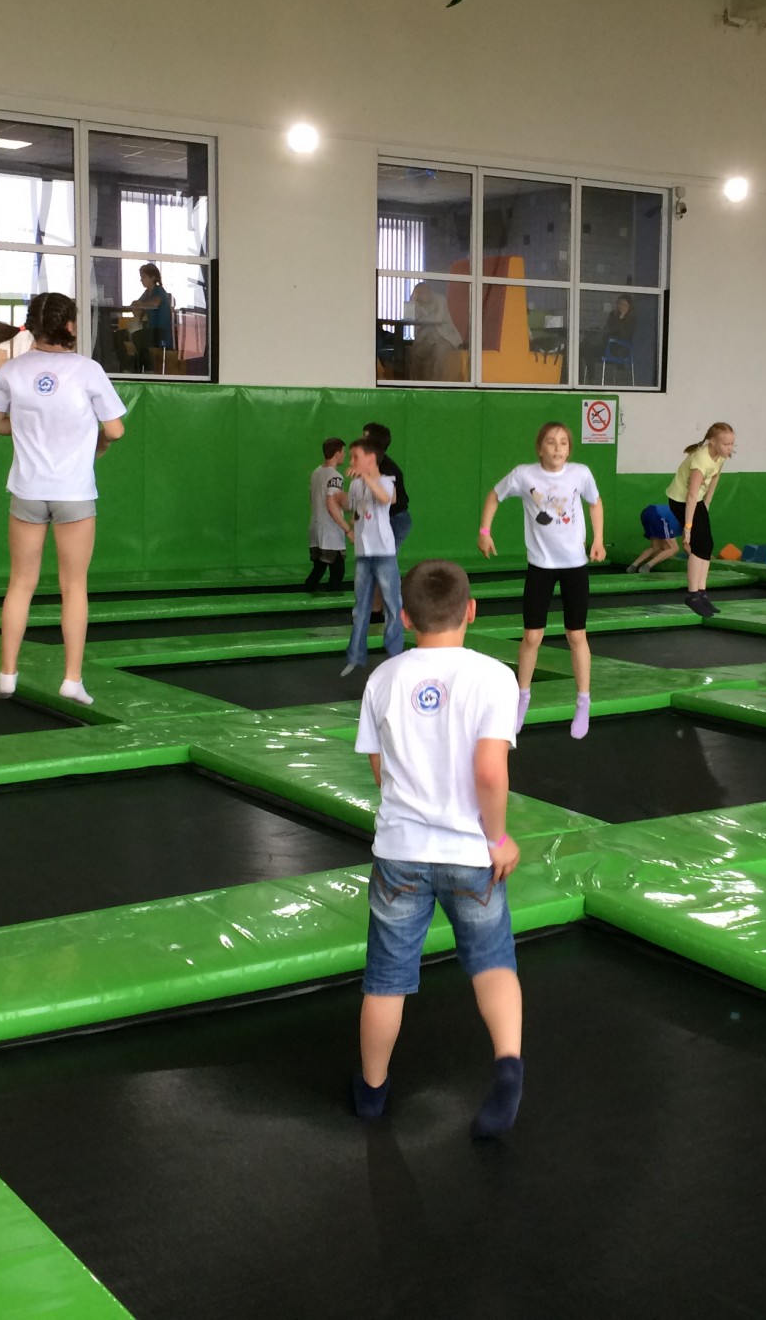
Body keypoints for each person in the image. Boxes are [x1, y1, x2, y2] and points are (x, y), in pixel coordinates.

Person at [351, 559, 524, 1138]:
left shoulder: (383, 679)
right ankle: (507, 1065)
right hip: (470, 853)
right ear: (471, 610)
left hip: (400, 851)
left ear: (404, 617)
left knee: (386, 979)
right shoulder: (494, 676)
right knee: (492, 962)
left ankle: (372, 1092)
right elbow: (490, 772)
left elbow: (380, 768)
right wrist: (497, 838)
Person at [0, 293, 128, 707]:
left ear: (33, 326)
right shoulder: (87, 370)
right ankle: (71, 680)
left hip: (28, 490)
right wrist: (92, 438)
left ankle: (7, 675)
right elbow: (115, 430)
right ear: (71, 326)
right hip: (73, 493)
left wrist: (30, 424)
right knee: (73, 586)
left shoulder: (13, 369)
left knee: (20, 583)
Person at [478, 422, 605, 739]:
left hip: (574, 565)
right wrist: (485, 531)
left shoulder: (580, 474)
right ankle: (522, 698)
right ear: (540, 448)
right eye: (551, 442)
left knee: (576, 635)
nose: (558, 448)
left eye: (563, 442)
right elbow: (494, 496)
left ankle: (583, 701)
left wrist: (598, 539)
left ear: (569, 448)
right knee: (532, 636)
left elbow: (595, 502)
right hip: (541, 566)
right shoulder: (524, 475)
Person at [334, 436, 403, 677]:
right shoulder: (356, 484)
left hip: (384, 552)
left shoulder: (386, 481)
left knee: (392, 605)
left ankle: (394, 655)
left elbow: (384, 499)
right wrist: (337, 498)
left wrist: (366, 477)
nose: (351, 462)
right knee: (360, 608)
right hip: (363, 553)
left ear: (371, 458)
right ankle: (355, 656)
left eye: (356, 457)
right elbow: (353, 507)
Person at [667, 422, 735, 618]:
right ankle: (692, 595)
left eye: (732, 444)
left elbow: (715, 478)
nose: (729, 448)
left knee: (708, 544)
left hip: (696, 501)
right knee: (698, 545)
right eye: (726, 444)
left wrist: (707, 503)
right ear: (712, 442)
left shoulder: (720, 456)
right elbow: (690, 495)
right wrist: (687, 528)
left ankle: (702, 593)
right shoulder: (700, 460)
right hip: (681, 501)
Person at [305, 436, 350, 593]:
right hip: (330, 531)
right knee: (338, 570)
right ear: (337, 453)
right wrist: (347, 529)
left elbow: (312, 498)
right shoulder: (336, 477)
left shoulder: (316, 472)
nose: (344, 455)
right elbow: (332, 506)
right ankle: (334, 599)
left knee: (319, 568)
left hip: (315, 526)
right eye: (343, 452)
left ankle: (307, 593)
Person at [362, 420, 411, 549]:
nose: (361, 440)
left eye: (365, 437)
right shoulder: (373, 464)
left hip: (395, 520)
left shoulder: (386, 467)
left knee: (384, 558)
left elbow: (391, 498)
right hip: (384, 520)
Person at [127, 263, 175, 373]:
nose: (141, 280)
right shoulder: (146, 293)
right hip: (151, 330)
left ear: (152, 277)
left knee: (138, 337)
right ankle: (139, 367)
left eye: (143, 277)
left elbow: (155, 303)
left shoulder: (159, 290)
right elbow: (138, 306)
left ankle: (148, 368)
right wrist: (136, 305)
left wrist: (140, 304)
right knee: (128, 336)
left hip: (161, 332)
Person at [627, 504, 681, 573]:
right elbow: (685, 544)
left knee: (656, 548)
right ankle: (647, 566)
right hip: (659, 516)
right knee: (674, 548)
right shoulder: (688, 523)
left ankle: (633, 566)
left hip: (647, 512)